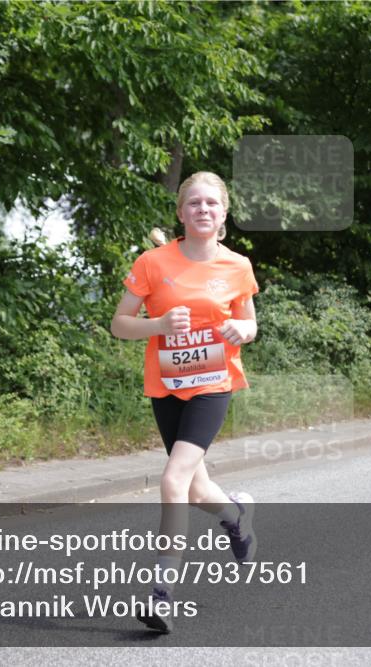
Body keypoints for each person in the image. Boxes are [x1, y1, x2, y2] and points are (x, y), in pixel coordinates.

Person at [110, 171, 260, 632]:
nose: (203, 210)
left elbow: (250, 324)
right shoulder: (153, 262)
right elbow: (119, 324)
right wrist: (156, 326)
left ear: (224, 214)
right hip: (168, 386)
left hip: (214, 382)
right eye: (194, 203)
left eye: (212, 204)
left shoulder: (238, 266)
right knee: (196, 490)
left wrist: (242, 330)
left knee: (173, 479)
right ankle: (236, 517)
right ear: (181, 212)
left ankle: (162, 593)